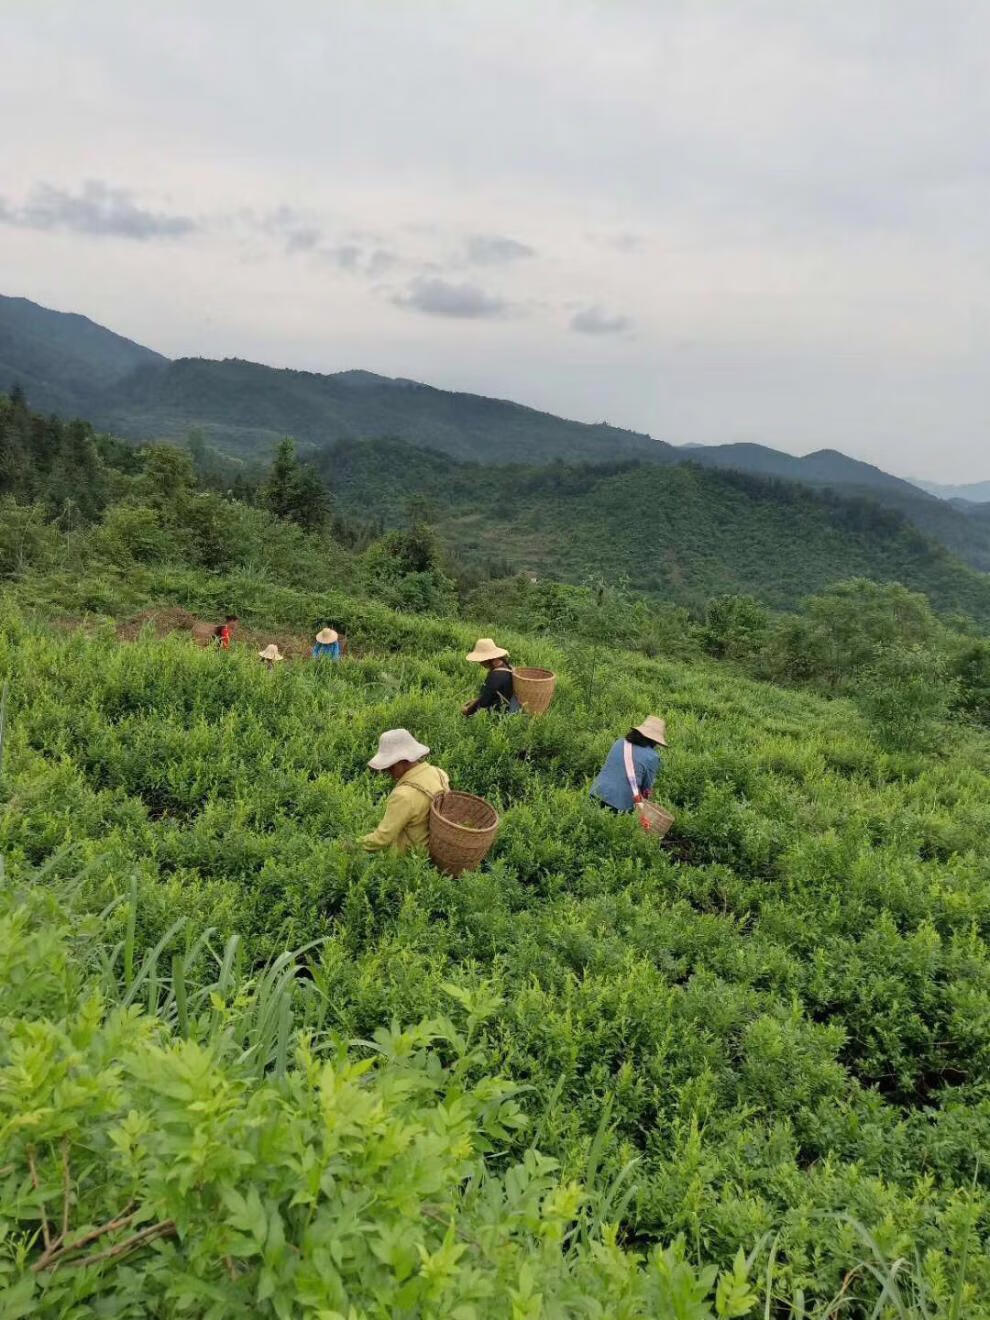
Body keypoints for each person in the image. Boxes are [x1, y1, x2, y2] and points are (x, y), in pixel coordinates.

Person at [359, 729, 450, 854]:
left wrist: (354, 844)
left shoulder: (403, 796)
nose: (387, 771)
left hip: (409, 861)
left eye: (390, 766)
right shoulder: (439, 773)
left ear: (403, 761)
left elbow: (382, 839)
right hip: (432, 853)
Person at [590, 716, 667, 813]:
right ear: (654, 740)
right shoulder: (652, 757)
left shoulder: (620, 742)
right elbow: (646, 788)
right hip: (620, 803)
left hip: (597, 792)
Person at [462, 637, 521, 717]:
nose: (480, 663)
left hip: (501, 713)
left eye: (481, 660)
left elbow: (484, 703)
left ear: (487, 659)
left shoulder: (496, 676)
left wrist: (467, 711)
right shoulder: (507, 666)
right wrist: (475, 701)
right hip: (510, 707)